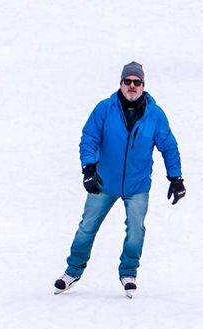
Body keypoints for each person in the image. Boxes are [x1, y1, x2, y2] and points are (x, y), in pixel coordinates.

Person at [55, 62, 184, 296]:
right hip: (104, 182)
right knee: (87, 227)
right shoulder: (105, 109)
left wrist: (176, 177)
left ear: (144, 86)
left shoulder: (155, 115)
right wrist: (89, 168)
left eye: (137, 82)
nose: (132, 86)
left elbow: (169, 146)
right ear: (121, 84)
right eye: (128, 81)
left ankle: (128, 273)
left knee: (136, 229)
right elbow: (90, 137)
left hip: (137, 186)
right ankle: (73, 271)